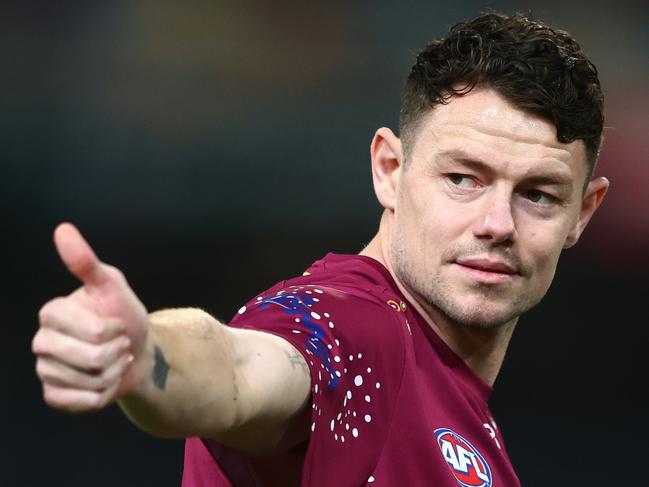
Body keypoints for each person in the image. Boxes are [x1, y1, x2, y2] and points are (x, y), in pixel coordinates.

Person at [32, 12, 609, 487]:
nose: (496, 223)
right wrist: (149, 357)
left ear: (581, 214)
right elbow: (240, 368)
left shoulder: (466, 418)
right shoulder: (358, 330)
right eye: (462, 178)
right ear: (390, 169)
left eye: (538, 194)